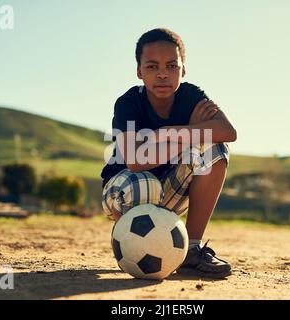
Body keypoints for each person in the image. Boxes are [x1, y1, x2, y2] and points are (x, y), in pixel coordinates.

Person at [100, 28, 237, 278]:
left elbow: (227, 132)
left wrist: (172, 131)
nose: (163, 74)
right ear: (139, 71)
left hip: (169, 190)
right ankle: (130, 243)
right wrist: (194, 133)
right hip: (124, 190)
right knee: (144, 183)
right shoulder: (128, 103)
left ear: (183, 70)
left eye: (171, 66)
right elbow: (136, 161)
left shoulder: (191, 96)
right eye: (152, 67)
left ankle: (192, 251)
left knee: (215, 148)